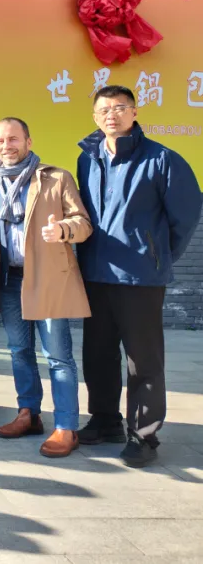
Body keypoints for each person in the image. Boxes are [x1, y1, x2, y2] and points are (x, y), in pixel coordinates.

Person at [76, 85, 201, 467]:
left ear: (134, 112)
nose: (111, 115)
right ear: (95, 117)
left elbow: (187, 216)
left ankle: (143, 434)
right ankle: (104, 420)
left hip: (140, 279)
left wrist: (158, 256)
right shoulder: (88, 159)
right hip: (96, 273)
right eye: (104, 110)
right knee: (96, 353)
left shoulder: (163, 159)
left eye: (119, 108)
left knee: (142, 360)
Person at [0, 117, 92, 458]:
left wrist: (63, 230)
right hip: (9, 279)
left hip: (47, 279)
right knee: (19, 352)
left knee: (58, 357)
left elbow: (83, 224)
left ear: (28, 142)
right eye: (0, 140)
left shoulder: (55, 178)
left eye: (13, 139)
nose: (6, 146)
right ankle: (28, 414)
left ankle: (66, 427)